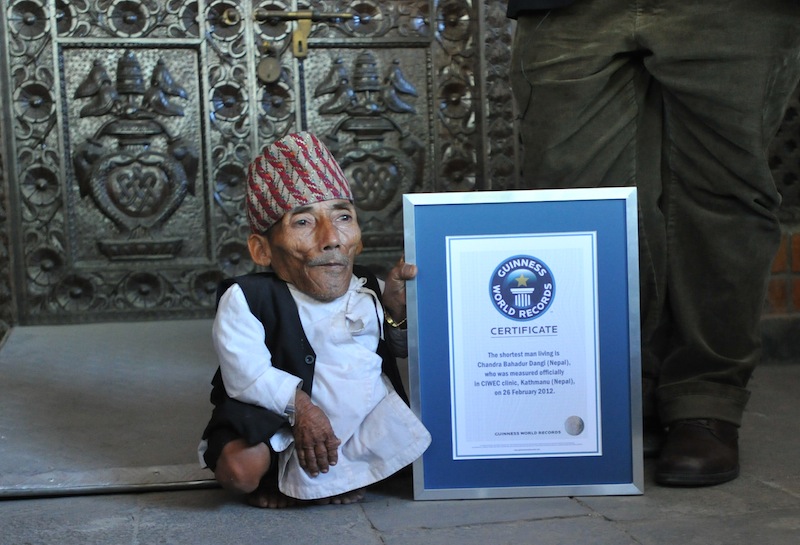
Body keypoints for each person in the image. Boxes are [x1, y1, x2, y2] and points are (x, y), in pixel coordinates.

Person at [507, 0, 800, 486]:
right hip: (568, 8)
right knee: (573, 200)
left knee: (723, 192)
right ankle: (612, 393)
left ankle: (705, 400)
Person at [198, 131, 431, 507]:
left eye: (342, 217)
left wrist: (397, 312)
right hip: (280, 414)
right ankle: (275, 478)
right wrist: (302, 409)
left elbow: (397, 351)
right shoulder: (246, 298)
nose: (331, 238)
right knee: (240, 468)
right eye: (304, 222)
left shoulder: (368, 285)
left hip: (358, 413)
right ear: (262, 250)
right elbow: (246, 376)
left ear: (358, 237)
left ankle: (339, 474)